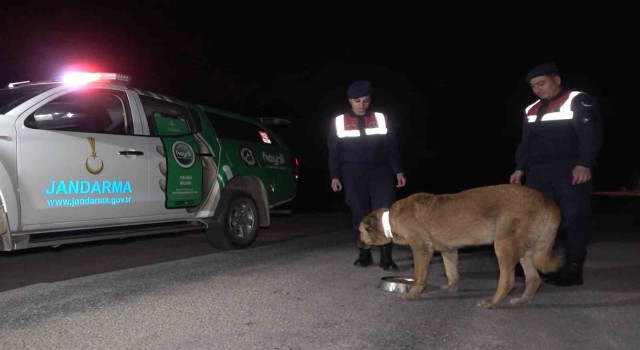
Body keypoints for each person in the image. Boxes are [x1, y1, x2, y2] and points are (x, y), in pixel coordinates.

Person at [509, 62, 603, 286]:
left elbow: (590, 135)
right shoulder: (531, 109)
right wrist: (519, 167)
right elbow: (526, 143)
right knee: (538, 221)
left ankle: (573, 268)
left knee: (573, 218)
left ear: (557, 80)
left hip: (570, 170)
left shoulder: (578, 100)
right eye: (533, 86)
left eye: (541, 83)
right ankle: (536, 265)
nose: (537, 89)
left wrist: (584, 163)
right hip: (538, 172)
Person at [327, 80, 407, 270]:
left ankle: (386, 257)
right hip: (352, 172)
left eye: (366, 100)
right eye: (357, 101)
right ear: (350, 101)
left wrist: (398, 171)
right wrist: (335, 176)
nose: (362, 105)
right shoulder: (339, 121)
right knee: (359, 212)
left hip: (380, 171)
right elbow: (333, 151)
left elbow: (391, 147)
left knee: (384, 213)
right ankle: (365, 254)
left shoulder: (380, 118)